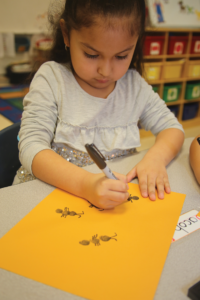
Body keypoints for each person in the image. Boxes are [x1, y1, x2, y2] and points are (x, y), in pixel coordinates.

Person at [15, 0, 184, 209]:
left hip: (109, 204)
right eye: (92, 55)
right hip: (50, 197)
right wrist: (85, 184)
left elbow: (173, 128)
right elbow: (31, 147)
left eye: (121, 56)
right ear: (66, 33)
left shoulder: (134, 87)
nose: (105, 70)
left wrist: (156, 158)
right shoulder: (52, 80)